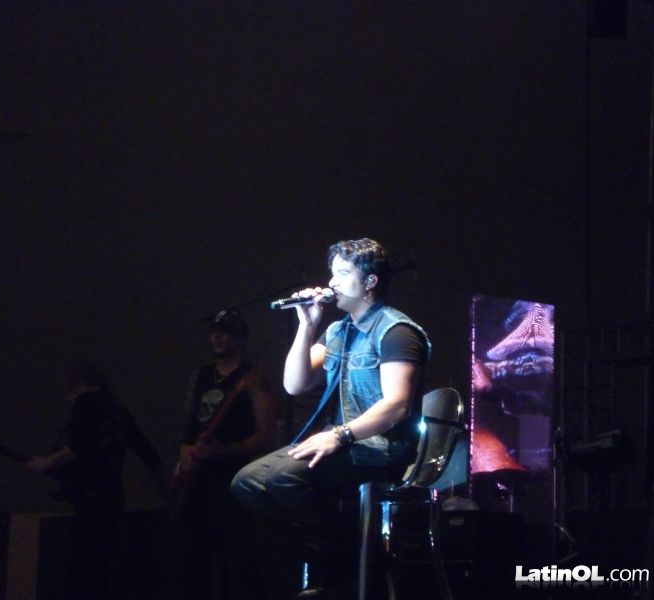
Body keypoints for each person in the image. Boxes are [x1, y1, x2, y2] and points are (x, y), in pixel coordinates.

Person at [231, 238, 431, 600]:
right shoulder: (339, 331)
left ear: (370, 281)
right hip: (344, 441)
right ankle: (335, 552)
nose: (332, 282)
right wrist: (306, 326)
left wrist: (339, 436)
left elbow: (397, 405)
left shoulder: (397, 331)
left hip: (382, 446)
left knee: (283, 477)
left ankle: (339, 564)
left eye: (342, 273)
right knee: (247, 482)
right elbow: (295, 385)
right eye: (332, 273)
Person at [25, 361, 165, 600]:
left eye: (69, 392)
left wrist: (48, 462)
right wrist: (164, 486)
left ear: (80, 385)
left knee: (81, 569)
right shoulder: (117, 409)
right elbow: (146, 450)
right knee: (100, 567)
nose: (69, 399)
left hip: (89, 496)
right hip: (112, 496)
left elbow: (79, 444)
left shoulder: (87, 402)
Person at [172, 309, 278, 600]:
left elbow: (268, 436)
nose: (217, 337)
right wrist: (185, 451)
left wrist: (226, 450)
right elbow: (187, 425)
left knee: (238, 563)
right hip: (197, 483)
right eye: (214, 331)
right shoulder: (201, 376)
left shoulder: (253, 379)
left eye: (226, 332)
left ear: (241, 339)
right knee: (193, 563)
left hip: (232, 483)